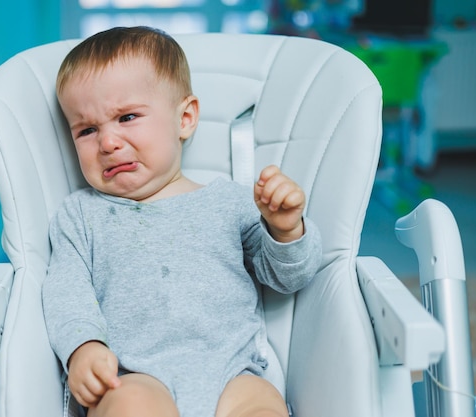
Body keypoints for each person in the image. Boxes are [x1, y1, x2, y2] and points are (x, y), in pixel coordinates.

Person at [42, 26, 322, 417]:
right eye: (87, 130)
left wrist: (286, 228)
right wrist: (83, 347)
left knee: (262, 408)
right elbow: (65, 292)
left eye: (127, 117)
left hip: (233, 372)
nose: (107, 143)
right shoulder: (80, 216)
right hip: (132, 372)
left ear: (186, 118)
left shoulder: (230, 202)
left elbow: (290, 278)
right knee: (131, 407)